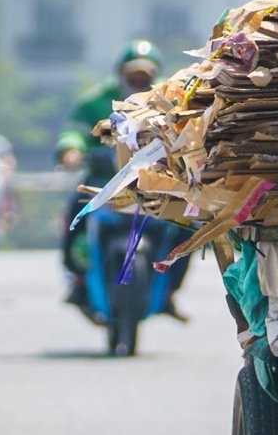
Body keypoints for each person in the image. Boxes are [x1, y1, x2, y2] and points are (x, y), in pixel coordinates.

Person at [54, 40, 187, 316]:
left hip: (155, 182)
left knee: (189, 225)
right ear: (121, 74)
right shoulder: (96, 101)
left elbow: (190, 128)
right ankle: (78, 280)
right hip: (104, 182)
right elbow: (74, 131)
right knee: (75, 214)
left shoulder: (169, 98)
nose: (138, 81)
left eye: (145, 76)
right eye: (133, 75)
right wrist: (71, 151)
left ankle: (170, 289)